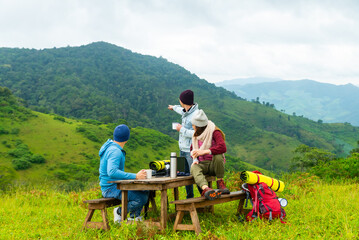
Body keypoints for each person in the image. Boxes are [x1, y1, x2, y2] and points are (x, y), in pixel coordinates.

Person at [99, 124, 149, 224]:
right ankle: (119, 212)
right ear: (126, 138)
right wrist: (135, 176)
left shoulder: (111, 146)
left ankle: (134, 217)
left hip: (115, 185)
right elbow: (112, 172)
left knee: (145, 190)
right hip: (110, 188)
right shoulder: (115, 151)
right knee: (140, 198)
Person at [190, 109, 230, 200]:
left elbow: (223, 148)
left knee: (218, 155)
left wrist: (205, 151)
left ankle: (220, 182)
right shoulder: (196, 135)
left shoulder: (214, 131)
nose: (192, 126)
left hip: (214, 164)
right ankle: (207, 190)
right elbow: (192, 149)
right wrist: (195, 159)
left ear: (199, 126)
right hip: (203, 163)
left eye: (193, 125)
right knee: (193, 167)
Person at [168, 89, 198, 199]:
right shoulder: (187, 111)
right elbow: (181, 110)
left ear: (183, 101)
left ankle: (205, 193)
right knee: (184, 174)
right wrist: (173, 107)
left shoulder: (195, 115)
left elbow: (197, 134)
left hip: (191, 150)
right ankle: (189, 197)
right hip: (182, 148)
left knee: (195, 174)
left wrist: (181, 129)